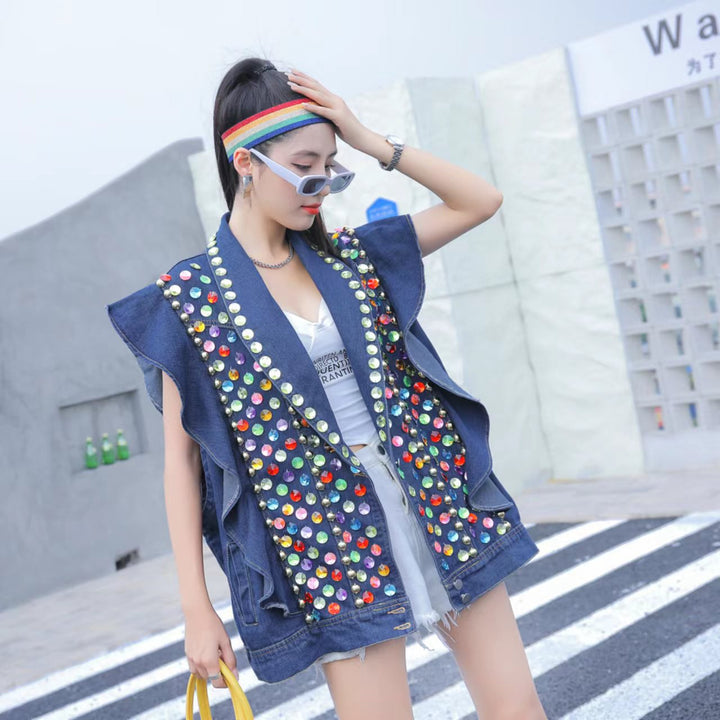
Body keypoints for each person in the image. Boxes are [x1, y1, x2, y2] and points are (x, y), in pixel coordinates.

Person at [106, 57, 547, 719]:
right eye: (306, 165)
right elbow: (182, 463)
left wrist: (370, 141)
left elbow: (478, 201)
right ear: (246, 163)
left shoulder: (352, 256)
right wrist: (198, 612)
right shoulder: (190, 302)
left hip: (439, 509)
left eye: (331, 166)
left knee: (518, 711)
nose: (323, 183)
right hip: (330, 545)